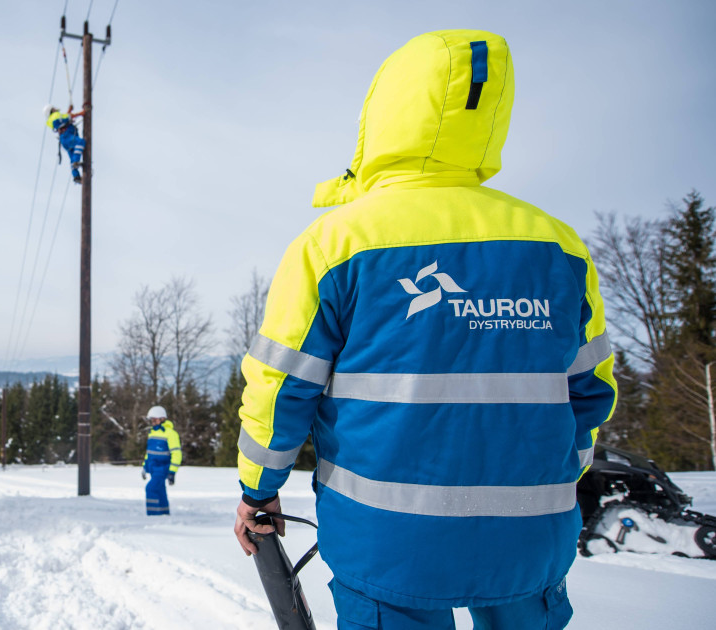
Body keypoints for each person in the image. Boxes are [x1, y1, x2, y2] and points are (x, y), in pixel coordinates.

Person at [232, 30, 615, 629]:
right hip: (531, 544)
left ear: (383, 116)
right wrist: (552, 483)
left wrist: (259, 492)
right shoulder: (558, 245)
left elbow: (280, 389)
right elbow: (589, 394)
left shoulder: (335, 244)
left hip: (386, 551)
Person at [141, 405, 181, 516]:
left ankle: (153, 515)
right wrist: (145, 467)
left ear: (162, 419)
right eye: (151, 420)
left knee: (151, 488)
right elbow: (149, 453)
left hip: (163, 468)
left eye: (155, 419)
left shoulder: (171, 434)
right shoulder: (152, 433)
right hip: (153, 469)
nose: (152, 422)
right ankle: (164, 514)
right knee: (160, 491)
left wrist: (172, 471)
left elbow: (176, 454)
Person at [44, 105, 85, 184]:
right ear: (51, 110)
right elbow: (68, 117)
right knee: (80, 142)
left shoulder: (52, 118)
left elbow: (65, 118)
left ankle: (76, 176)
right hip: (67, 136)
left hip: (64, 139)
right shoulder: (55, 115)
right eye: (54, 108)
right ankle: (76, 162)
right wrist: (81, 113)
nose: (56, 108)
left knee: (72, 155)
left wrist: (69, 110)